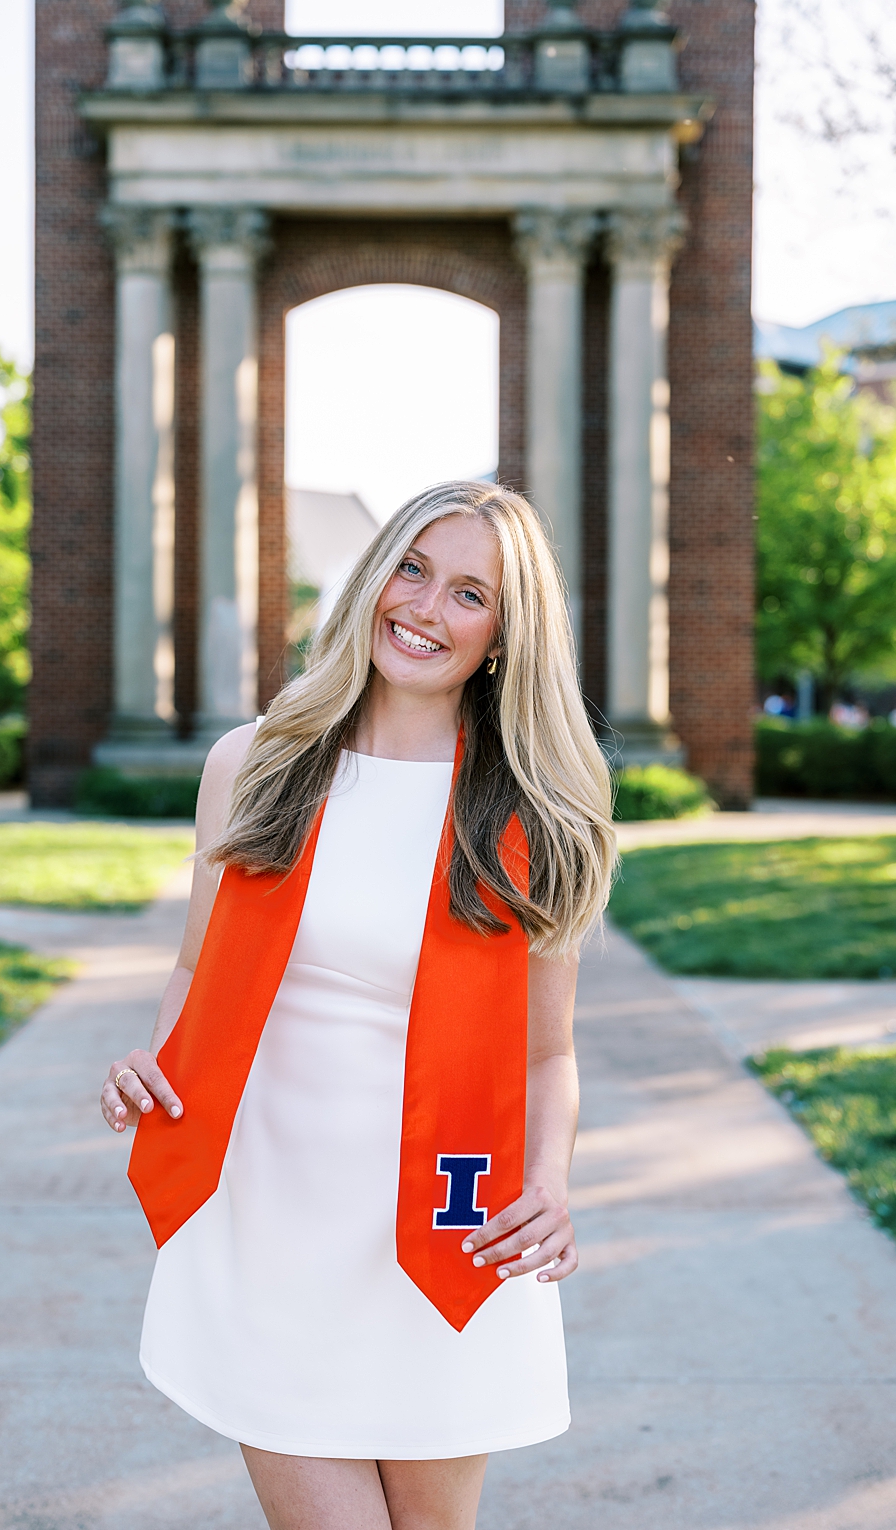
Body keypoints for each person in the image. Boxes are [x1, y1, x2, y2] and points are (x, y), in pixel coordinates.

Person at [100, 480, 616, 1528]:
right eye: (411, 569)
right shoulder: (256, 763)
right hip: (271, 1218)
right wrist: (156, 1070)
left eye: (468, 593)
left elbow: (547, 1053)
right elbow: (196, 972)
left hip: (446, 1215)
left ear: (504, 636)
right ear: (373, 575)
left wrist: (549, 1183)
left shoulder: (534, 811)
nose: (424, 608)